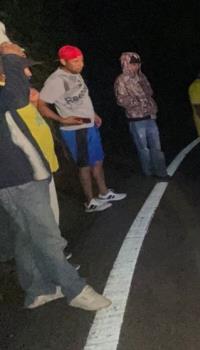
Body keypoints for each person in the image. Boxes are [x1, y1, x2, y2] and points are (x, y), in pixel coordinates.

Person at [0, 41, 110, 310]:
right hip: (18, 178)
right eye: (21, 69)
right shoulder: (7, 96)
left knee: (27, 235)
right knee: (48, 236)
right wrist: (9, 56)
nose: (28, 74)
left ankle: (38, 290)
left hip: (28, 174)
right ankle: (75, 289)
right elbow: (14, 97)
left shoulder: (10, 97)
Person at [37, 45, 126, 212]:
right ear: (63, 61)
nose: (81, 64)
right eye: (76, 61)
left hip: (89, 125)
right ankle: (90, 202)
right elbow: (41, 105)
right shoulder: (56, 81)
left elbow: (83, 98)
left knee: (98, 160)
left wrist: (94, 114)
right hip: (76, 131)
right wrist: (62, 119)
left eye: (82, 60)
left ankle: (104, 193)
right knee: (84, 166)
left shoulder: (75, 74)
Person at [114, 52, 168, 179]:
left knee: (157, 147)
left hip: (150, 117)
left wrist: (149, 105)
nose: (136, 66)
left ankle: (161, 172)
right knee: (143, 149)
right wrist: (139, 102)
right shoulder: (121, 80)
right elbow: (121, 100)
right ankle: (148, 172)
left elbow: (150, 92)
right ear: (126, 63)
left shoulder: (141, 77)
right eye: (133, 64)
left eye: (137, 64)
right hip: (136, 120)